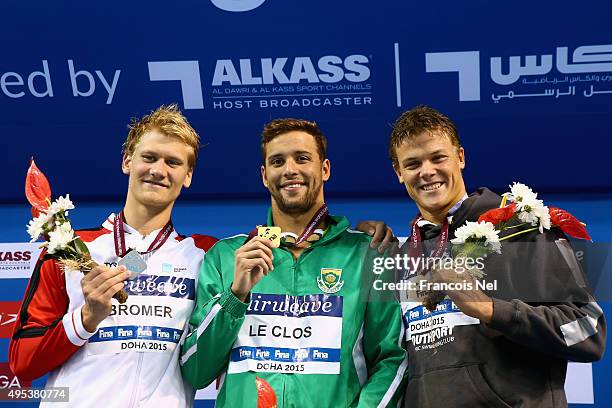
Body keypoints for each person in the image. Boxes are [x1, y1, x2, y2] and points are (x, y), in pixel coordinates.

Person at [389, 105, 606, 407]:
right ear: (400, 173)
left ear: (460, 158)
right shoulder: (402, 255)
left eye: (438, 157)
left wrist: (491, 310)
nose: (427, 171)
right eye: (412, 164)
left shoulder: (521, 227)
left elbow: (587, 331)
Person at [180, 118, 407, 407]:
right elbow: (196, 370)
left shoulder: (368, 253)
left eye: (302, 158)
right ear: (265, 175)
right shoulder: (228, 257)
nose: (290, 170)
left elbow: (391, 359)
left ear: (324, 169)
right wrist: (235, 296)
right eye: (277, 161)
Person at [9, 105, 218, 407]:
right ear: (127, 161)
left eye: (173, 162)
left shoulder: (204, 255)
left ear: (187, 176)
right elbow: (23, 363)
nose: (159, 170)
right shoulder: (69, 248)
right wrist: (85, 319)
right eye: (149, 157)